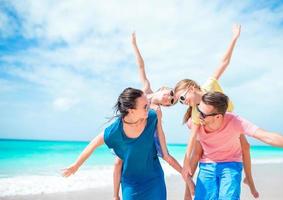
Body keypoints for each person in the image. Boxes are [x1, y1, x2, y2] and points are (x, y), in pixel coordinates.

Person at [174, 24, 259, 199]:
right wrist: (185, 165)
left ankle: (249, 178)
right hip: (216, 129)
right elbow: (191, 144)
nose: (183, 103)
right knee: (209, 152)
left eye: (182, 98)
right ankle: (245, 179)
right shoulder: (197, 112)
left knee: (246, 146)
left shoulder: (209, 86)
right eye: (179, 102)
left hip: (229, 121)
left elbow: (223, 62)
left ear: (191, 87)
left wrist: (234, 38)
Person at [62, 87, 190, 200]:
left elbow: (163, 144)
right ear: (131, 111)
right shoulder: (115, 130)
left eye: (148, 104)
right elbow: (94, 144)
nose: (150, 107)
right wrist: (76, 165)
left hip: (154, 179)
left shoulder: (152, 116)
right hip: (131, 184)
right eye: (145, 106)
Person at [112, 32, 194, 200]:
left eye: (171, 102)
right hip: (127, 132)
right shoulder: (145, 91)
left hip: (146, 140)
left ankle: (186, 177)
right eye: (171, 94)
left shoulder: (156, 111)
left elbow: (160, 138)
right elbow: (141, 67)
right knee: (118, 161)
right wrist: (134, 44)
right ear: (163, 88)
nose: (169, 99)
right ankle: (115, 195)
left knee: (162, 156)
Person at [192, 91, 283, 199]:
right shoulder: (195, 123)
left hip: (231, 164)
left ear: (218, 117)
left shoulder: (235, 121)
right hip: (207, 165)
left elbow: (267, 136)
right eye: (198, 110)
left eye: (203, 114)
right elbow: (194, 154)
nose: (198, 115)